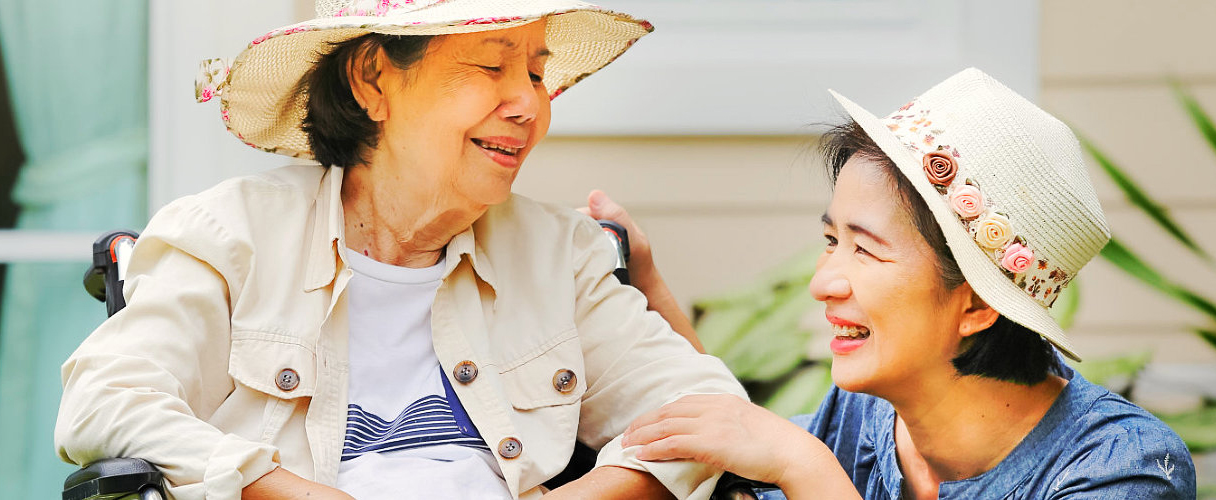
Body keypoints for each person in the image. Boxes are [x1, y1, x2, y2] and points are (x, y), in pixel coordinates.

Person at [53, 1, 745, 499]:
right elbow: (103, 400)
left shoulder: (559, 255)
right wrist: (282, 490)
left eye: (535, 74)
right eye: (490, 66)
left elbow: (704, 404)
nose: (529, 106)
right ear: (373, 80)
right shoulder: (232, 235)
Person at [585, 68, 1197, 499]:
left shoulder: (1122, 470)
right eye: (831, 242)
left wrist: (808, 470)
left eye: (865, 250)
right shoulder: (866, 411)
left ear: (978, 305)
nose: (823, 282)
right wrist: (647, 285)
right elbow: (735, 442)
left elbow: (787, 460)